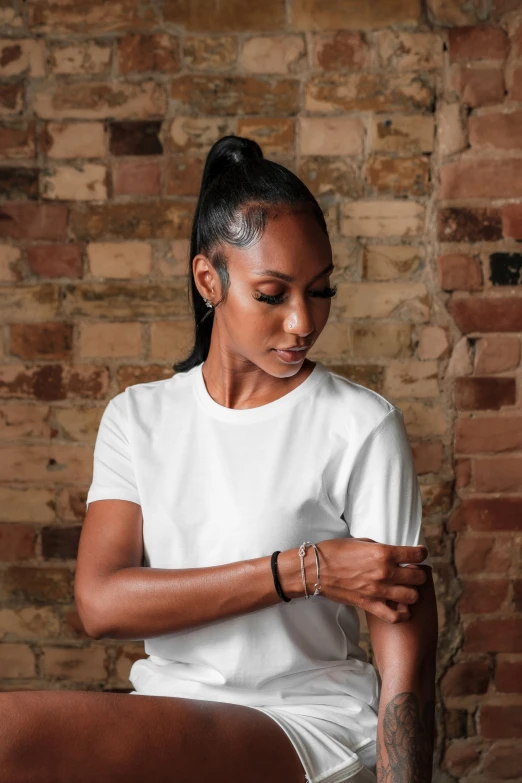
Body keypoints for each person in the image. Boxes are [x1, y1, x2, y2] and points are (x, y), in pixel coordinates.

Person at [0, 135, 437, 783]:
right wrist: (301, 570)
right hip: (170, 707)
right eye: (273, 293)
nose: (302, 322)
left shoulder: (361, 425)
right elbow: (100, 602)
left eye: (320, 291)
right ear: (210, 279)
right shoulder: (138, 417)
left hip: (305, 721)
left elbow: (405, 646)